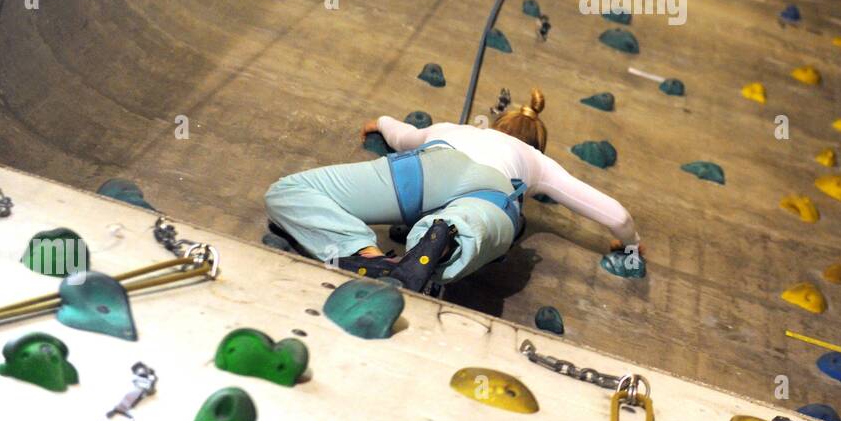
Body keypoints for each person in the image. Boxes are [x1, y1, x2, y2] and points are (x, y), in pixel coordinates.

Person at [264, 89, 639, 290]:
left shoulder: (455, 128)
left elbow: (400, 134)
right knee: (475, 224)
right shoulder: (535, 161)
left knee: (290, 191)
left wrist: (378, 121)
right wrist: (631, 242)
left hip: (428, 165)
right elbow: (615, 215)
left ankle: (364, 253)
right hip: (490, 191)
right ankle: (446, 238)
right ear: (537, 145)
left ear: (495, 123)